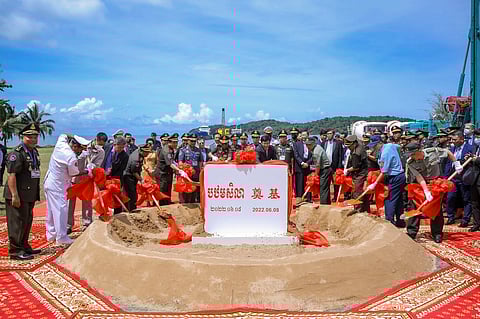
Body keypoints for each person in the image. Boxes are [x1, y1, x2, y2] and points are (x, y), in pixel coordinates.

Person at [404, 143, 458, 243]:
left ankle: (437, 233)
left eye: (413, 154)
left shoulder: (433, 152)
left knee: (436, 209)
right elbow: (419, 177)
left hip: (436, 183)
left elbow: (448, 152)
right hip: (419, 185)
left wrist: (456, 163)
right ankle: (411, 232)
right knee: (414, 207)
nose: (411, 157)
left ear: (419, 151)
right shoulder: (410, 162)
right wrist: (426, 191)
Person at [4, 123, 42, 260]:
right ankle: (15, 251)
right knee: (17, 222)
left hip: (29, 194)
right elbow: (11, 175)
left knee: (26, 221)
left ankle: (24, 246)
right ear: (23, 137)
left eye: (35, 137)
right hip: (18, 195)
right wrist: (14, 195)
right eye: (29, 136)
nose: (32, 139)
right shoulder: (16, 153)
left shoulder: (34, 151)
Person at [45, 134, 89, 245]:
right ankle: (61, 237)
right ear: (74, 146)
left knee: (51, 209)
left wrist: (72, 136)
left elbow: (63, 135)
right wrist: (87, 171)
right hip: (58, 185)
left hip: (50, 181)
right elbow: (74, 173)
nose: (81, 152)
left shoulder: (61, 144)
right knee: (61, 210)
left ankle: (51, 234)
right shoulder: (70, 156)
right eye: (80, 149)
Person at [368, 143, 405, 226]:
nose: (373, 151)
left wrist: (374, 184)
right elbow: (399, 147)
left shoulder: (385, 154)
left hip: (394, 177)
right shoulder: (390, 145)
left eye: (373, 149)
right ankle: (400, 221)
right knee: (398, 200)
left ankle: (389, 222)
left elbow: (384, 172)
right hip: (400, 176)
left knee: (389, 199)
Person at [67, 137, 99, 234]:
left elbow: (92, 163)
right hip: (72, 182)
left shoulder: (86, 154)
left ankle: (87, 222)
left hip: (84, 182)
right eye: (75, 147)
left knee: (86, 202)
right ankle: (68, 225)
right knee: (69, 204)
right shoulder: (68, 154)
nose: (77, 149)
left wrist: (91, 167)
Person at [445, 131, 474, 226]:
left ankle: (465, 220)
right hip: (453, 178)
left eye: (455, 139)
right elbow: (448, 163)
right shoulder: (452, 149)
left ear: (461, 139)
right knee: (450, 198)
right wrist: (446, 176)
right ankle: (450, 217)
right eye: (452, 139)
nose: (453, 141)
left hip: (464, 177)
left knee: (466, 199)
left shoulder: (470, 148)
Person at [154, 133, 186, 205]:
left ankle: (167, 203)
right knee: (163, 191)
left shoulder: (171, 149)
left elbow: (173, 161)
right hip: (162, 174)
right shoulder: (166, 150)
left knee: (168, 190)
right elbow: (170, 163)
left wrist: (177, 168)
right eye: (174, 142)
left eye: (176, 142)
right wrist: (179, 170)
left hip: (168, 173)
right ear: (169, 142)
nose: (176, 144)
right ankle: (163, 205)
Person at [344, 135, 369, 214]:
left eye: (349, 146)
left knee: (357, 191)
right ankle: (365, 209)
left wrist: (347, 170)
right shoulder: (360, 146)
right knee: (362, 192)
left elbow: (355, 167)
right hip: (364, 172)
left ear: (354, 144)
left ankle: (358, 209)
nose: (348, 148)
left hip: (360, 173)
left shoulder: (356, 153)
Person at [124, 144, 151, 211]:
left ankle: (131, 208)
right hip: (129, 177)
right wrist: (141, 180)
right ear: (141, 151)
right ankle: (131, 210)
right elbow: (134, 172)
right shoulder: (135, 159)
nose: (147, 154)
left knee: (132, 194)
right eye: (146, 152)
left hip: (133, 176)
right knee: (132, 195)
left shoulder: (139, 153)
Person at [107, 137, 129, 214]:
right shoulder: (109, 151)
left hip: (117, 179)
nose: (120, 149)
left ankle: (117, 213)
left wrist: (111, 171)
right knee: (106, 196)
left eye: (122, 147)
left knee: (117, 197)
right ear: (114, 145)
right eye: (119, 147)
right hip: (107, 177)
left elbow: (121, 170)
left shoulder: (125, 156)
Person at [179, 134, 203, 203]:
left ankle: (194, 204)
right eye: (191, 141)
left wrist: (200, 172)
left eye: (194, 141)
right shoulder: (183, 150)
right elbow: (180, 162)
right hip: (187, 175)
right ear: (188, 141)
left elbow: (200, 162)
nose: (193, 142)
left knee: (195, 191)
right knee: (186, 192)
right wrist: (186, 168)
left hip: (196, 174)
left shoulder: (198, 150)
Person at [321, 128, 343, 201]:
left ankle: (336, 197)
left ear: (333, 134)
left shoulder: (338, 143)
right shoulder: (324, 143)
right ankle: (326, 198)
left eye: (330, 133)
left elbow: (340, 155)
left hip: (335, 166)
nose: (329, 135)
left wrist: (339, 167)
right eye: (327, 134)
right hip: (326, 166)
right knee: (326, 183)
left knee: (336, 183)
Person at [293, 131, 313, 200]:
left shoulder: (311, 144)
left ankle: (308, 198)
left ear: (308, 135)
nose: (303, 136)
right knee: (299, 183)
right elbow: (296, 155)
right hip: (299, 166)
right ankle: (299, 198)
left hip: (308, 166)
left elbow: (313, 155)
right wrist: (302, 163)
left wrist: (308, 163)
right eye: (302, 135)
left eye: (305, 135)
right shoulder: (296, 144)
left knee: (308, 183)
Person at [312, 138, 331, 204]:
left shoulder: (316, 151)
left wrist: (315, 174)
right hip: (325, 169)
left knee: (323, 187)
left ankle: (324, 204)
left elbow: (318, 165)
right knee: (325, 187)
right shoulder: (317, 147)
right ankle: (327, 202)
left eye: (309, 145)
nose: (307, 146)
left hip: (325, 169)